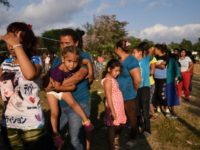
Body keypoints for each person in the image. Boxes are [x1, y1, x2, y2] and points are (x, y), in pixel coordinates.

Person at [0, 22, 46, 150]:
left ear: (28, 44)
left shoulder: (35, 60)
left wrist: (17, 45)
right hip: (9, 123)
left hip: (32, 123)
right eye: (9, 40)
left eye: (15, 40)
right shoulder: (5, 63)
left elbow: (30, 74)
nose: (10, 45)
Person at [51, 28, 93, 150]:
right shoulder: (59, 58)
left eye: (67, 43)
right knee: (57, 134)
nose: (63, 46)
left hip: (79, 103)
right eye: (61, 43)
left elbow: (80, 75)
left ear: (76, 43)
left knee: (75, 140)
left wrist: (55, 86)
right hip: (62, 104)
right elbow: (50, 77)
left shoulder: (82, 55)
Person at [115, 39, 141, 142]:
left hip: (129, 94)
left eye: (115, 48)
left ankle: (133, 136)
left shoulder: (131, 60)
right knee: (118, 114)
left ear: (118, 48)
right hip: (118, 94)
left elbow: (137, 80)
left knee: (131, 116)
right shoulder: (119, 59)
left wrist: (133, 91)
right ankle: (118, 131)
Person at [101, 59, 127, 150]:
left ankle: (112, 142)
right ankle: (111, 146)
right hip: (113, 107)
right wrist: (113, 111)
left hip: (117, 106)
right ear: (109, 69)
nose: (117, 73)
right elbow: (108, 97)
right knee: (112, 127)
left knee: (117, 125)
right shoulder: (108, 80)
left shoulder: (112, 79)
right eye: (115, 71)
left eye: (119, 71)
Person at [133, 42, 151, 136]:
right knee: (137, 108)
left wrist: (143, 47)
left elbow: (151, 50)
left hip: (145, 87)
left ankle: (147, 129)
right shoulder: (133, 63)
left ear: (140, 52)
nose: (133, 54)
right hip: (136, 88)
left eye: (134, 52)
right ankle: (139, 124)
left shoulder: (146, 59)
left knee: (145, 108)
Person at [154, 44, 169, 116]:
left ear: (159, 49)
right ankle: (157, 107)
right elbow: (160, 65)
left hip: (163, 78)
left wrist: (154, 65)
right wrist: (158, 65)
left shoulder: (166, 56)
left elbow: (163, 66)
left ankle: (166, 108)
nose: (154, 50)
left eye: (155, 49)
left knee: (162, 93)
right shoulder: (155, 56)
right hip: (155, 77)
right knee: (156, 93)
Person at [166, 51, 181, 118]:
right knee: (170, 95)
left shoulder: (170, 60)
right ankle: (171, 110)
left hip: (167, 80)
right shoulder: (173, 61)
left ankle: (169, 109)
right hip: (170, 80)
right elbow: (177, 72)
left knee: (167, 95)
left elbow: (177, 72)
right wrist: (177, 79)